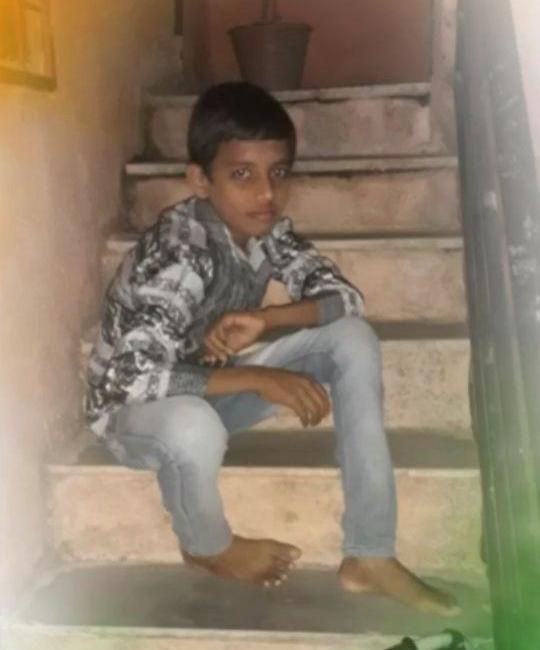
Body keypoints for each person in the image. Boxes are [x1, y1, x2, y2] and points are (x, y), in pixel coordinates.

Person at [86, 81, 459, 617]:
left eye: (278, 173)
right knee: (193, 425)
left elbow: (345, 299)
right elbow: (131, 376)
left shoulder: (265, 233)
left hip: (210, 387)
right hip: (137, 414)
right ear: (201, 180)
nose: (266, 193)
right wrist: (259, 378)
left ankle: (370, 554)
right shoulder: (181, 251)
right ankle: (207, 546)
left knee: (352, 338)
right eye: (242, 175)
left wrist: (267, 319)